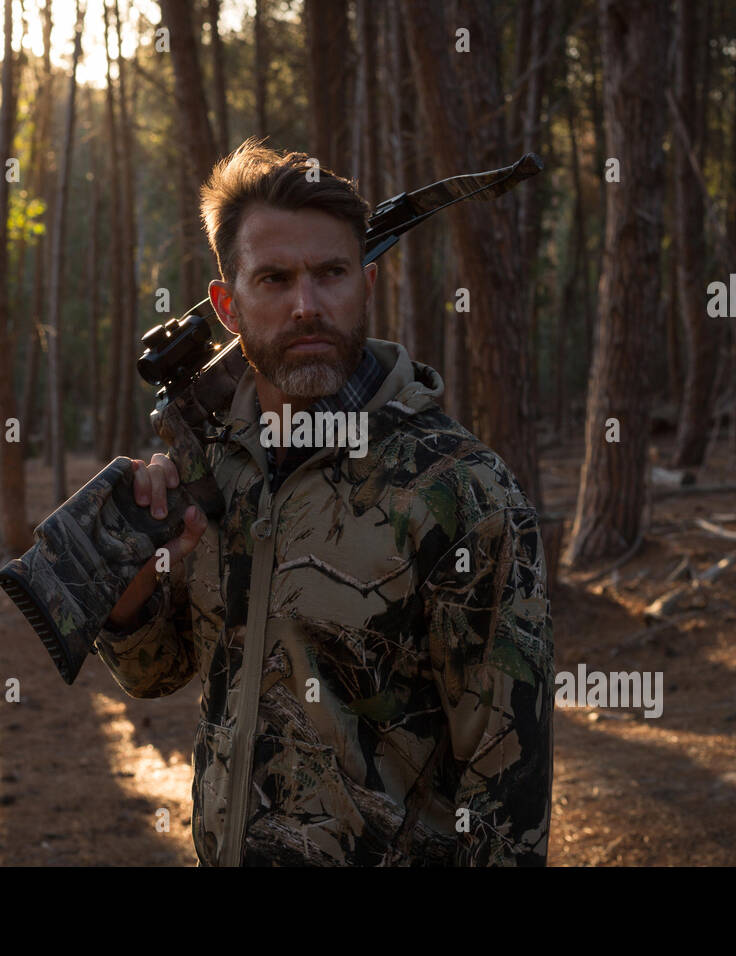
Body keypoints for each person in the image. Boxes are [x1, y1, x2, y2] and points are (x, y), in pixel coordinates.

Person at [95, 138, 554, 866]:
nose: (307, 306)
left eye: (331, 273)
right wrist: (130, 595)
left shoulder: (461, 491)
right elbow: (162, 672)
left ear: (367, 280)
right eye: (274, 279)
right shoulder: (214, 468)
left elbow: (509, 795)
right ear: (229, 305)